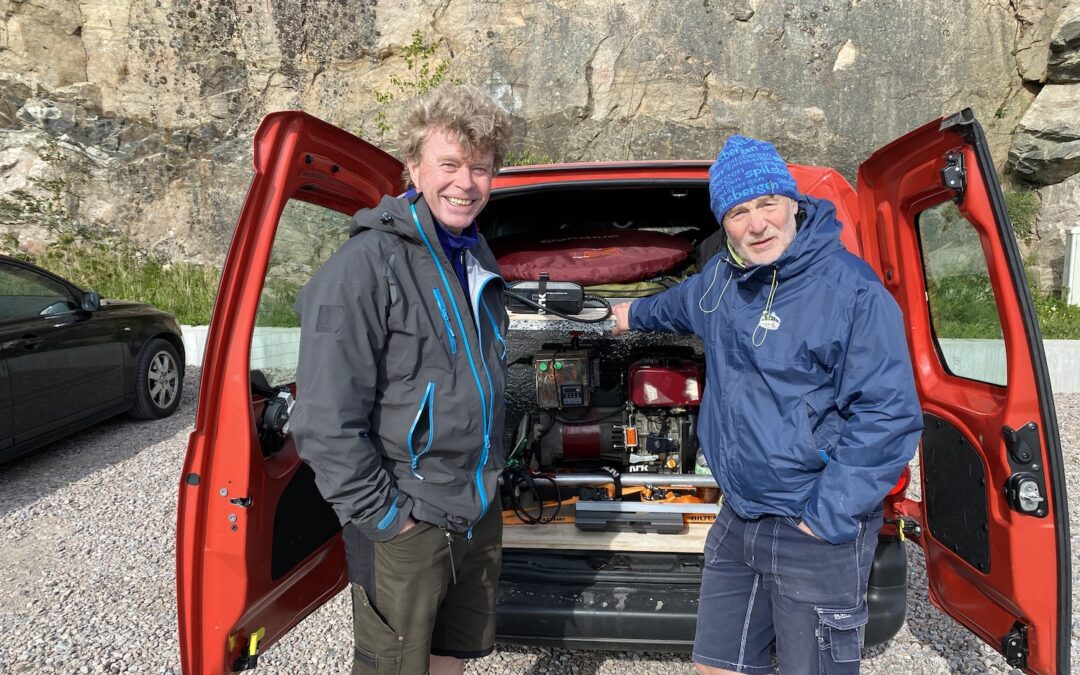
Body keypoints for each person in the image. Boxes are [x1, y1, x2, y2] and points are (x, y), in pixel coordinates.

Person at [611, 135, 923, 674]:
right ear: (724, 224)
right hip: (740, 516)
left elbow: (887, 416)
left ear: (792, 203)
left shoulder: (852, 291)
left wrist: (827, 515)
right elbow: (673, 305)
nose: (757, 224)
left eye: (767, 204)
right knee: (717, 665)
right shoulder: (720, 282)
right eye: (738, 213)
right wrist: (623, 315)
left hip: (812, 522)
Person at [290, 84, 513, 675]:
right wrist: (388, 518)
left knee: (451, 655)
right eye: (449, 164)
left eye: (480, 168)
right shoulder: (362, 267)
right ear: (413, 167)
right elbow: (322, 421)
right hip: (407, 514)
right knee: (393, 667)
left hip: (475, 505)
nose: (466, 183)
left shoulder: (475, 258)